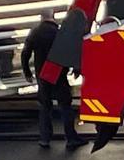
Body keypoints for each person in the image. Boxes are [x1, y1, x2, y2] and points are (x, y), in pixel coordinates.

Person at [22, 14, 84, 149]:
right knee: (65, 106)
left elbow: (25, 53)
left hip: (42, 76)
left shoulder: (35, 32)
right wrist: (77, 68)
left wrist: (27, 72)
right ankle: (71, 138)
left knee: (45, 107)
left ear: (41, 18)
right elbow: (72, 51)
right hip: (58, 74)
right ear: (53, 18)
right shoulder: (59, 32)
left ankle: (45, 138)